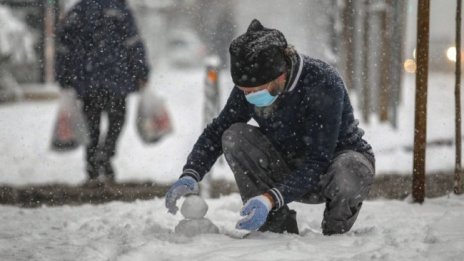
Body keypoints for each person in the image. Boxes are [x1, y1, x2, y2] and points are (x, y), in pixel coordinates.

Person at [165, 19, 375, 235]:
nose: (250, 97)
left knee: (350, 172)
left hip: (331, 168)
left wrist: (269, 199)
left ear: (280, 74)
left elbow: (318, 160)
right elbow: (218, 130)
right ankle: (275, 229)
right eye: (244, 91)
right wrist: (191, 172)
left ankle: (334, 236)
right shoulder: (250, 85)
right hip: (286, 168)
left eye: (257, 90)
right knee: (233, 136)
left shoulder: (323, 82)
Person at [55, 0, 150, 184]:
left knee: (91, 123)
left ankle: (92, 167)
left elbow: (63, 47)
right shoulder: (119, 9)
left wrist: (64, 75)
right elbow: (133, 42)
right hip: (116, 77)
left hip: (87, 78)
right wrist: (142, 71)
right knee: (117, 119)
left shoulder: (77, 11)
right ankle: (106, 154)